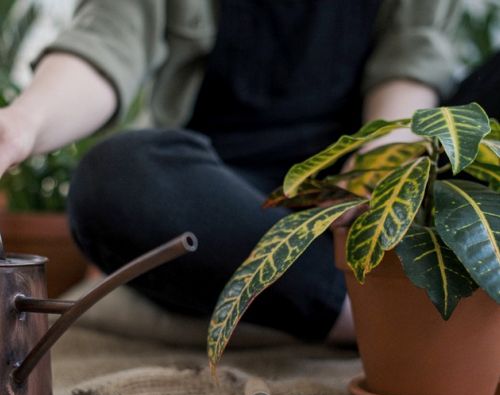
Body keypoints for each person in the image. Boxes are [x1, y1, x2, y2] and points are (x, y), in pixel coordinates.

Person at [0, 0, 498, 344]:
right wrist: (20, 127)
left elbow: (409, 65)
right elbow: (105, 44)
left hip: (370, 170)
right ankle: (363, 319)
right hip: (229, 202)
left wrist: (375, 168)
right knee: (113, 179)